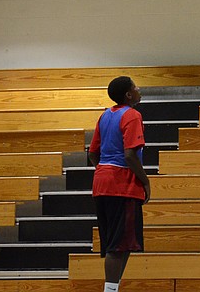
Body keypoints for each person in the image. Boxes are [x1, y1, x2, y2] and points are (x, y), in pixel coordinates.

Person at [88, 76, 150, 292]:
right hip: (122, 185)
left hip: (101, 182)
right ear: (128, 94)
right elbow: (130, 155)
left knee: (118, 244)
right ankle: (110, 290)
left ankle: (113, 288)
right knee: (118, 244)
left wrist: (104, 170)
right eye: (135, 86)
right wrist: (145, 181)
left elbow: (93, 153)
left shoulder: (104, 115)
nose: (139, 88)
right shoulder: (132, 115)